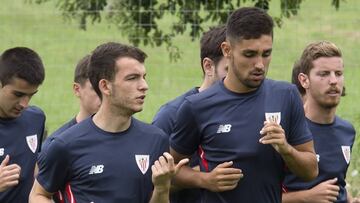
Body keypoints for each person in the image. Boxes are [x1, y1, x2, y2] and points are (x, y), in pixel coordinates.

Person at [170, 7, 318, 202]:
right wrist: (204, 179)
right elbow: (170, 171)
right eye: (249, 55)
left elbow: (311, 171)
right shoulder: (196, 106)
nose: (259, 64)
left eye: (266, 54)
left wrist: (286, 149)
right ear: (227, 50)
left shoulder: (286, 96)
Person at [29, 42, 188, 203]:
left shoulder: (156, 139)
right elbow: (38, 195)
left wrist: (162, 188)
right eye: (132, 78)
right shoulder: (65, 144)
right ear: (105, 86)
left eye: (144, 77)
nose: (144, 86)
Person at [152, 25, 228, 203]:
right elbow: (153, 182)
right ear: (208, 66)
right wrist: (204, 177)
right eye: (229, 70)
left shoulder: (248, 109)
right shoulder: (170, 115)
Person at [283, 41, 359, 203]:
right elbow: (259, 194)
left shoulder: (347, 131)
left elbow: (337, 184)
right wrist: (306, 197)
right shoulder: (285, 130)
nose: (333, 81)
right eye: (323, 74)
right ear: (304, 81)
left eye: (338, 73)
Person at [42, 54, 101, 202]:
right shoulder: (57, 144)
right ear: (77, 89)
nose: (104, 94)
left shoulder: (137, 137)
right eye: (95, 88)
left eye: (107, 86)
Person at [0, 47, 46, 202]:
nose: (25, 104)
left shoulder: (36, 119)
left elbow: (35, 168)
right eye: (18, 94)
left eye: (31, 95)